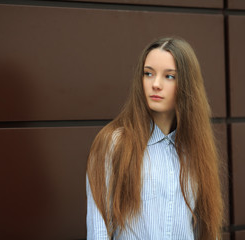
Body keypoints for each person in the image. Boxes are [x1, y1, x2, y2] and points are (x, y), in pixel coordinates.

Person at [86, 37, 223, 240]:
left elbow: (202, 230)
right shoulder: (114, 143)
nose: (155, 84)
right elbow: (99, 229)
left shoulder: (195, 150)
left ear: (187, 84)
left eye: (169, 76)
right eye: (148, 74)